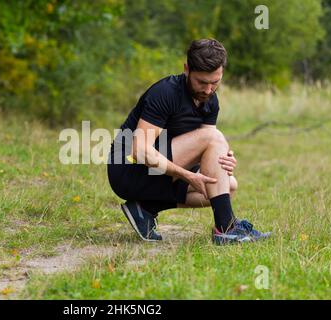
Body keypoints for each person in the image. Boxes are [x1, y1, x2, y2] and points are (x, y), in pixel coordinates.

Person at [107, 39, 271, 245]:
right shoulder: (165, 92)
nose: (209, 90)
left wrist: (225, 161)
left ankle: (145, 208)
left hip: (157, 170)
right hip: (127, 168)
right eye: (202, 82)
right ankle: (226, 229)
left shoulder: (210, 101)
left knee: (228, 185)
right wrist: (186, 175)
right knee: (213, 140)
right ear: (187, 69)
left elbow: (209, 150)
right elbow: (140, 151)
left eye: (215, 82)